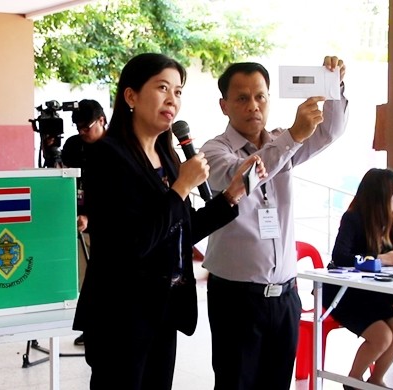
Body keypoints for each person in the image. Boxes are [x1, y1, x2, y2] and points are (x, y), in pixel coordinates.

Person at [72, 52, 267, 390]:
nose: (172, 100)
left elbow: (181, 230)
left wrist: (230, 196)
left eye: (178, 91)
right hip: (121, 314)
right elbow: (132, 245)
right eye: (162, 88)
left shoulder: (168, 155)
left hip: (163, 308)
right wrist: (180, 188)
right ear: (131, 96)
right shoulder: (108, 156)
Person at [200, 56, 348, 390]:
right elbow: (244, 177)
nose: (253, 106)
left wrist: (333, 86)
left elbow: (329, 131)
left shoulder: (283, 142)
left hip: (284, 295)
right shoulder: (214, 150)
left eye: (260, 96)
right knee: (235, 383)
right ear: (224, 105)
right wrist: (293, 135)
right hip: (236, 297)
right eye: (242, 98)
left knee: (277, 383)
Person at [323, 168, 393, 389]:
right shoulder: (353, 219)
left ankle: (376, 380)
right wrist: (381, 259)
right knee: (382, 336)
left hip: (374, 296)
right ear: (382, 194)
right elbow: (341, 257)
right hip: (345, 296)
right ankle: (353, 381)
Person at [62, 99, 108, 346]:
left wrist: (93, 215)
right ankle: (90, 328)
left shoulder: (117, 148)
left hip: (109, 225)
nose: (82, 132)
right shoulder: (73, 146)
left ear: (102, 120)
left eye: (87, 126)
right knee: (86, 281)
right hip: (79, 222)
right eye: (78, 127)